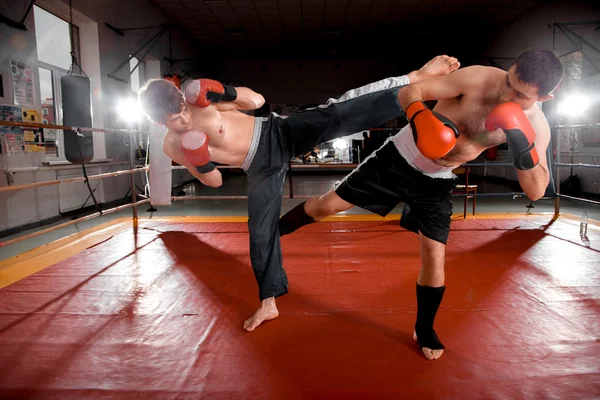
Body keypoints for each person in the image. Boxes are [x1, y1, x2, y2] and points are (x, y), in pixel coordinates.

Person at [138, 55, 461, 332]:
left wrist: (225, 91)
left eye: (182, 111)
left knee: (337, 112)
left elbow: (258, 101)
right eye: (174, 121)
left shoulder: (198, 99)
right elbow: (215, 183)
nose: (183, 119)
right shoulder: (172, 145)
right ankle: (269, 303)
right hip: (259, 167)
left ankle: (412, 80)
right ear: (157, 122)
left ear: (182, 98)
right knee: (260, 231)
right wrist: (202, 160)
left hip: (276, 131)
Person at [278, 48, 564, 360]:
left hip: (437, 180)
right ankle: (271, 232)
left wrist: (524, 148)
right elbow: (410, 91)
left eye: (520, 94)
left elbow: (536, 191)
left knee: (434, 257)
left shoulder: (537, 127)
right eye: (509, 82)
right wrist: (421, 117)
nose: (507, 93)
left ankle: (424, 328)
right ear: (509, 68)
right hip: (398, 158)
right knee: (327, 206)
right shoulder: (478, 78)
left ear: (545, 98)